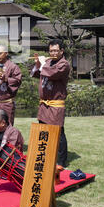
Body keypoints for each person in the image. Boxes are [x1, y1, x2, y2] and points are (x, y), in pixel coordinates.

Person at [30, 39, 70, 168]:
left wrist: (42, 64)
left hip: (55, 103)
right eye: (51, 50)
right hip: (44, 103)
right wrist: (37, 64)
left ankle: (61, 161)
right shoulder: (47, 62)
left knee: (58, 132)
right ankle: (45, 156)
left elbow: (52, 73)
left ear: (61, 51)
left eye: (56, 50)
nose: (53, 53)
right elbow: (37, 74)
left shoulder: (64, 64)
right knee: (43, 130)